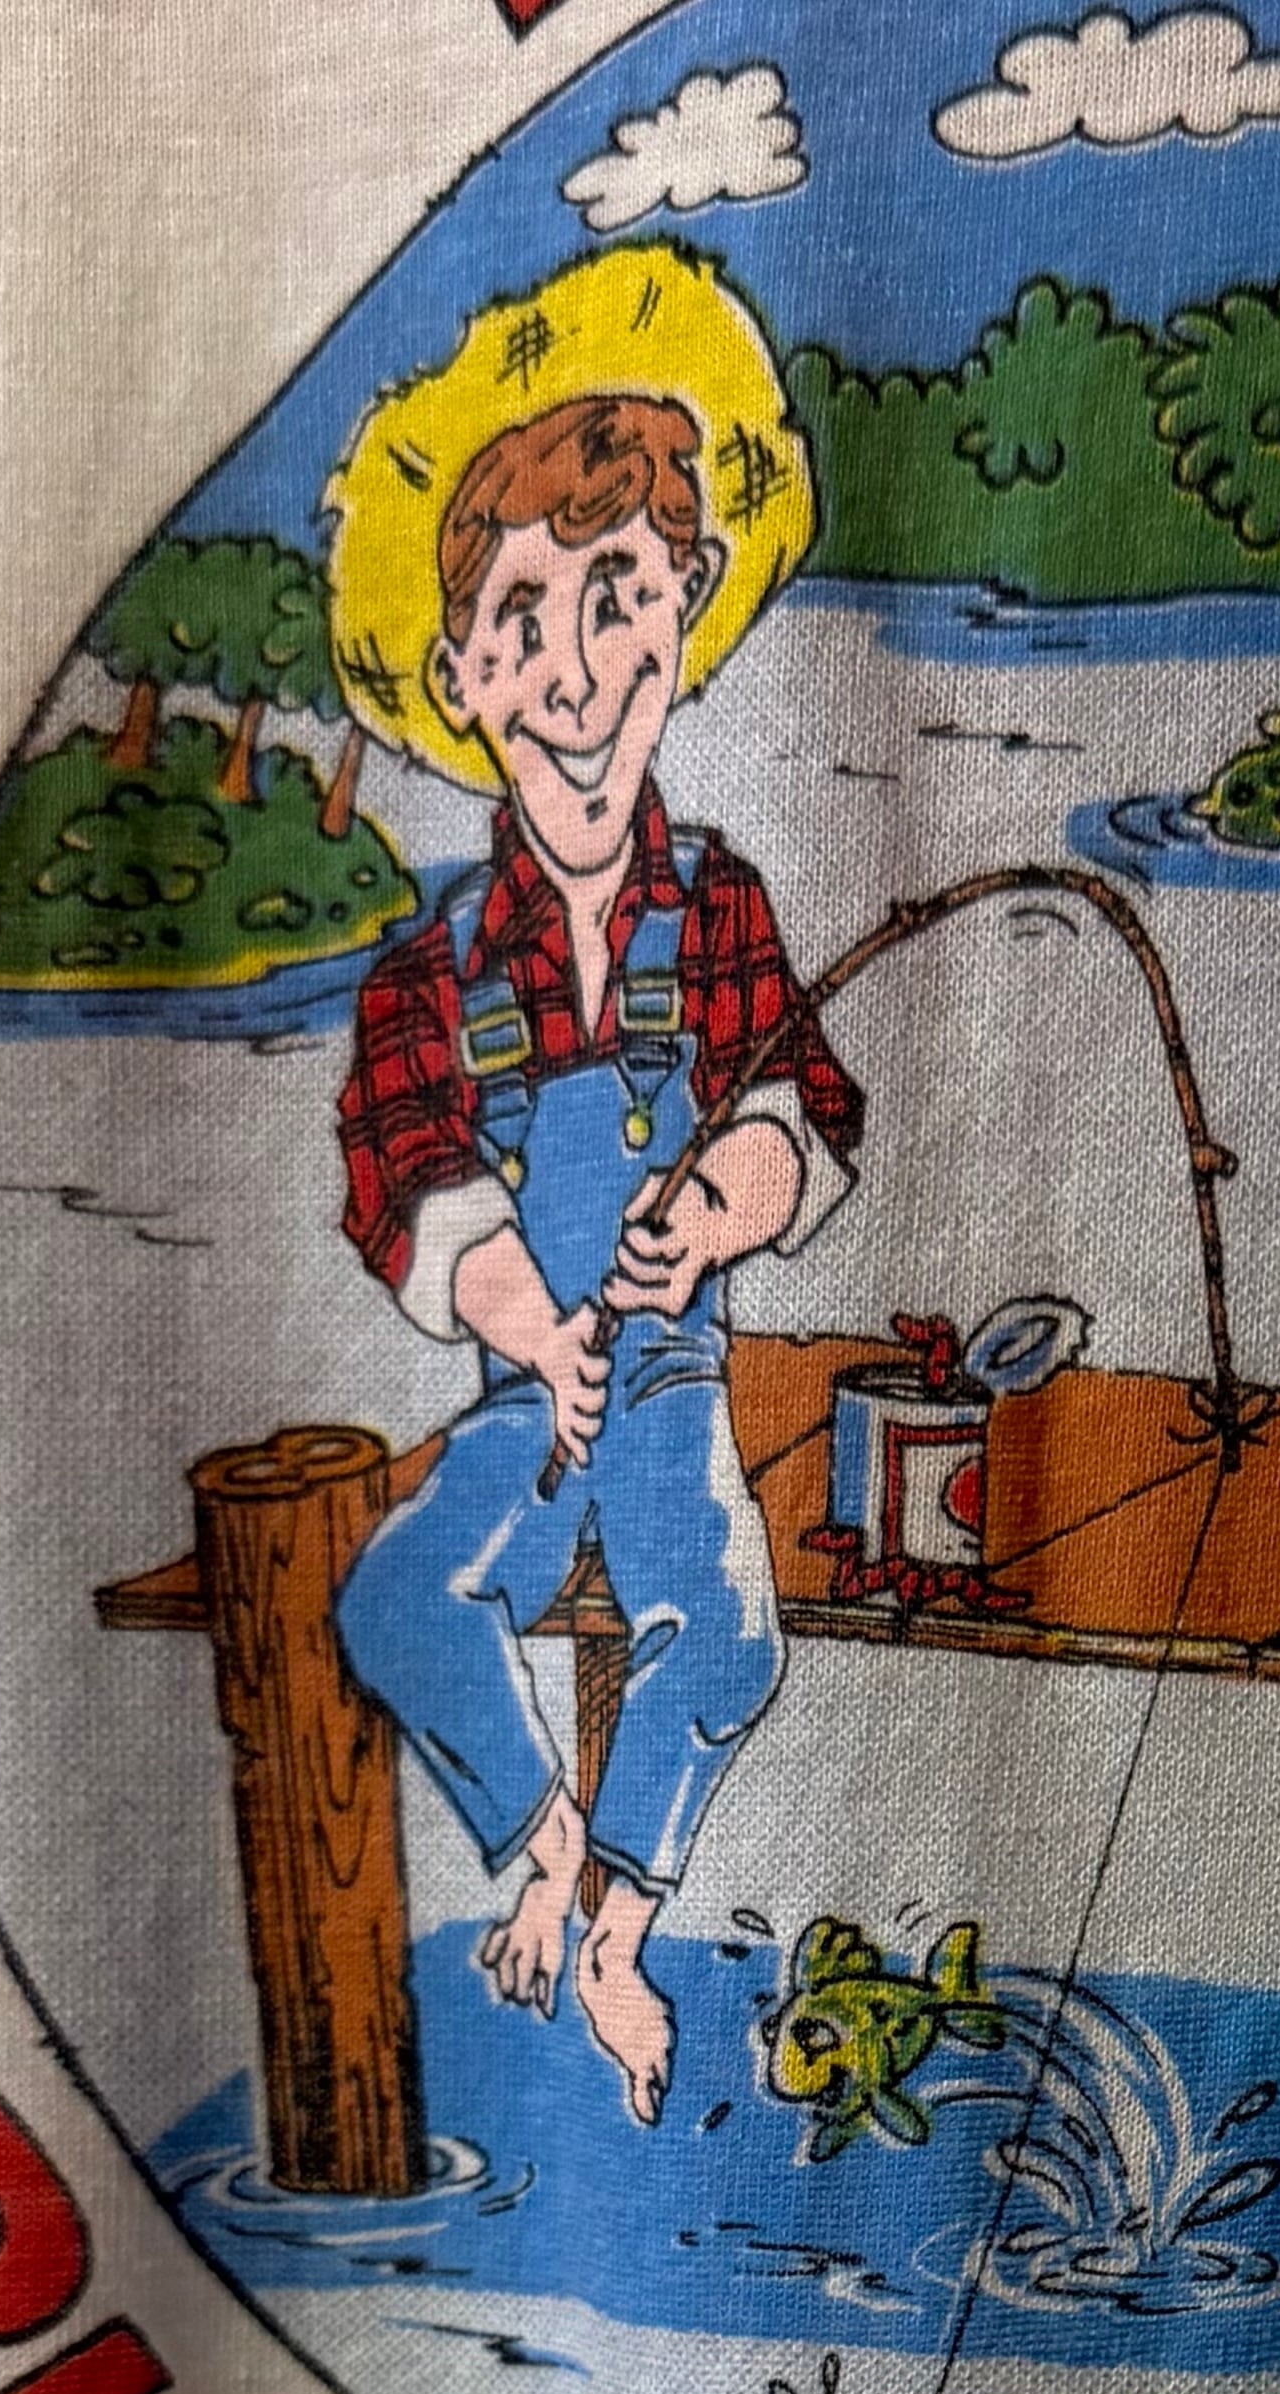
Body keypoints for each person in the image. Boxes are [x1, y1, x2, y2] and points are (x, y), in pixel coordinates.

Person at [322, 249, 861, 2123]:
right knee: (402, 1600)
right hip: (522, 1406)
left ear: (686, 613)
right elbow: (399, 1175)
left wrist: (718, 1207)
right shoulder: (430, 965)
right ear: (460, 673)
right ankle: (547, 1850)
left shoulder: (720, 907)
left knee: (727, 1631)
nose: (573, 669)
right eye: (522, 620)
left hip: (674, 1397)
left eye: (618, 597)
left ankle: (621, 1926)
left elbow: (805, 1099)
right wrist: (525, 1318)